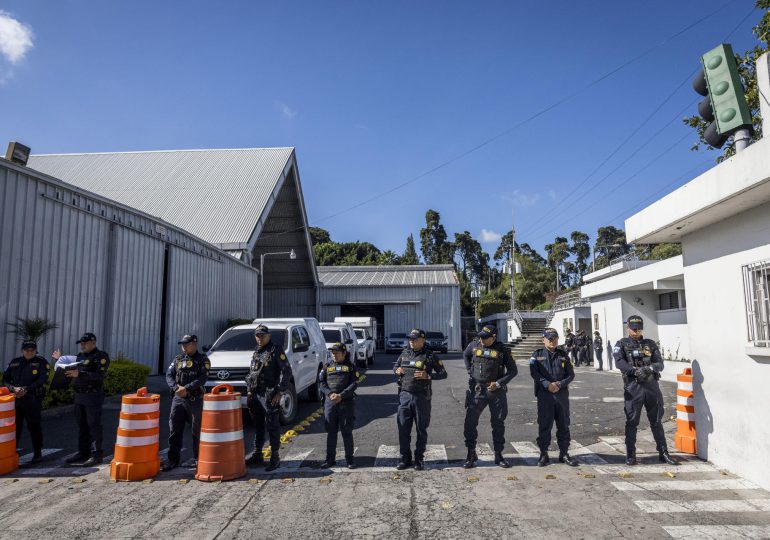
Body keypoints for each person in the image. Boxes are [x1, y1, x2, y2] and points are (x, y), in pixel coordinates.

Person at [613, 315, 677, 466]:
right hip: (633, 387)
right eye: (633, 328)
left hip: (651, 386)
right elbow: (619, 362)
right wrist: (634, 371)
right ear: (627, 328)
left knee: (656, 421)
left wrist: (648, 369)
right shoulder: (621, 344)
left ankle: (663, 452)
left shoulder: (650, 344)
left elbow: (659, 363)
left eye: (638, 328)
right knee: (632, 421)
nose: (636, 331)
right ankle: (630, 455)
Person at [462, 324, 517, 469]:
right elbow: (465, 354)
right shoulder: (474, 345)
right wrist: (470, 370)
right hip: (478, 390)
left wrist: (499, 383)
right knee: (470, 422)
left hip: (496, 391)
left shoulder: (503, 350)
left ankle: (498, 455)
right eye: (480, 336)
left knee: (498, 423)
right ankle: (471, 453)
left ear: (493, 337)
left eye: (485, 338)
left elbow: (513, 370)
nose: (482, 339)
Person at [52, 332, 110, 467]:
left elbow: (99, 376)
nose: (82, 346)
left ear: (93, 343)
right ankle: (83, 452)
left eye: (85, 343)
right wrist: (59, 360)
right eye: (81, 344)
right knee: (82, 426)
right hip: (79, 395)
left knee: (93, 425)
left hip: (92, 395)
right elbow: (69, 367)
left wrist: (80, 373)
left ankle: (96, 454)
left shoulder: (101, 356)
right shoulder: (80, 356)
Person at [393, 328, 447, 471]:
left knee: (421, 429)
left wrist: (428, 376)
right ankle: (405, 459)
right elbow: (396, 366)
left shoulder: (429, 356)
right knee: (403, 428)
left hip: (421, 397)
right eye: (410, 339)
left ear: (422, 340)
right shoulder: (404, 353)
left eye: (414, 339)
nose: (411, 341)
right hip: (404, 396)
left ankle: (419, 459)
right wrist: (396, 370)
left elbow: (443, 373)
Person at [244, 324, 292, 472]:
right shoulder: (257, 352)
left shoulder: (275, 350)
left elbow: (287, 371)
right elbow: (252, 372)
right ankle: (258, 453)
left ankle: (275, 457)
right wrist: (250, 389)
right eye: (258, 335)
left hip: (269, 394)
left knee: (272, 425)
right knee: (258, 425)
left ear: (269, 336)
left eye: (263, 335)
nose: (260, 338)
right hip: (255, 393)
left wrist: (280, 391)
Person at [529, 328, 579, 467]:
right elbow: (534, 373)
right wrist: (547, 384)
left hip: (561, 395)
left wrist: (560, 384)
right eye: (549, 338)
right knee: (545, 425)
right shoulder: (536, 355)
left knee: (563, 425)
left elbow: (571, 374)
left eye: (555, 338)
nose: (552, 341)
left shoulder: (563, 355)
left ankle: (564, 453)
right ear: (543, 339)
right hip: (545, 396)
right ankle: (543, 454)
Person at [161, 334, 209, 471]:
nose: (184, 347)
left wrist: (186, 388)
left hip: (195, 399)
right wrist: (176, 388)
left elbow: (202, 378)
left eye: (186, 344)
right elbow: (169, 375)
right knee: (175, 429)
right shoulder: (178, 359)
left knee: (196, 431)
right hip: (178, 399)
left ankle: (198, 459)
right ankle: (173, 459)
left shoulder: (203, 360)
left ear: (195, 344)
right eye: (182, 344)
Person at [3, 340, 49, 463]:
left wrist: (26, 389)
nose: (29, 352)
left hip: (32, 399)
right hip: (17, 399)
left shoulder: (41, 362)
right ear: (22, 350)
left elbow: (42, 380)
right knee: (15, 427)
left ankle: (37, 453)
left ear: (35, 350)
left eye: (32, 350)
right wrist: (13, 388)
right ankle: (13, 452)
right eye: (27, 350)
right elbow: (5, 380)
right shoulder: (14, 363)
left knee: (34, 426)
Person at [319, 342, 358, 469]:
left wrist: (341, 395)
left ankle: (350, 460)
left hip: (345, 403)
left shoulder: (351, 367)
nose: (334, 355)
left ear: (344, 353)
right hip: (330, 402)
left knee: (347, 431)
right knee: (331, 432)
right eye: (332, 353)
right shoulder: (327, 366)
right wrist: (330, 394)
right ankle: (330, 460)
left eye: (336, 353)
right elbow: (322, 383)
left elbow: (354, 384)